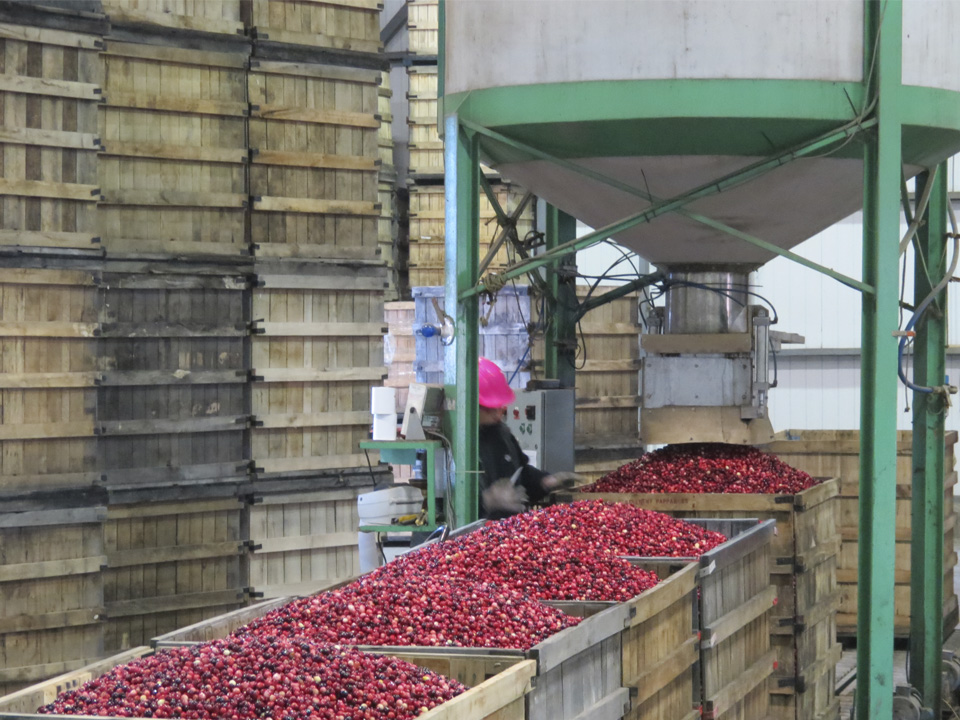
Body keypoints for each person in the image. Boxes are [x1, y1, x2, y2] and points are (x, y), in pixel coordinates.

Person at [477, 357, 559, 519]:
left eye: (500, 407)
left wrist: (544, 481)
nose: (497, 414)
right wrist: (486, 502)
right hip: (470, 537)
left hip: (508, 530)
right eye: (489, 408)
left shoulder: (502, 433)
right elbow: (442, 503)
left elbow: (521, 472)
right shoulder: (452, 446)